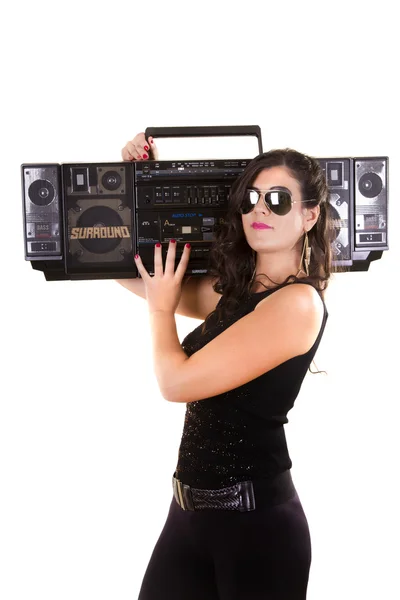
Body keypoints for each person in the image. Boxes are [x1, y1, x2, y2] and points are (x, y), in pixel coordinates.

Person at [119, 132, 332, 600]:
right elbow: (139, 274)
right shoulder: (236, 290)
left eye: (277, 200)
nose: (259, 209)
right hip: (188, 516)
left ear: (309, 215)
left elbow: (175, 382)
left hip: (258, 531)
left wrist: (160, 312)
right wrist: (134, 183)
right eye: (251, 198)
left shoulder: (297, 304)